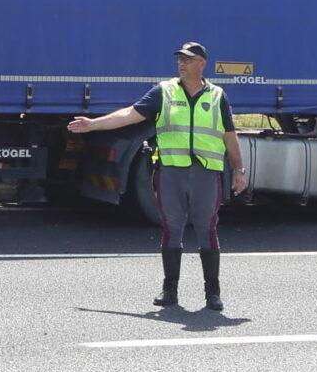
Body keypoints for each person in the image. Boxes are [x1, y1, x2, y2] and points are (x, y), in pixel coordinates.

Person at [69, 40, 249, 311]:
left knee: (207, 230)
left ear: (202, 64)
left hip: (205, 175)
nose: (182, 63)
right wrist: (93, 124)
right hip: (171, 173)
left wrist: (238, 170)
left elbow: (229, 137)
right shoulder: (163, 92)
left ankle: (212, 293)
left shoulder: (216, 96)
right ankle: (170, 291)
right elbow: (130, 114)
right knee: (171, 229)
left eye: (188, 59)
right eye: (180, 59)